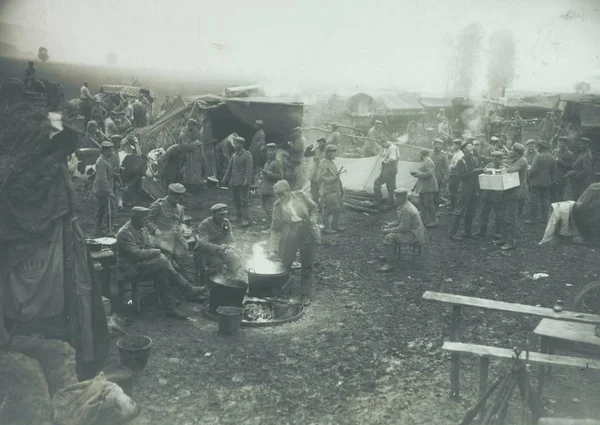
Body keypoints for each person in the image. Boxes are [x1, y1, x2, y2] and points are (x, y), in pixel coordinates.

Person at [116, 206, 205, 319]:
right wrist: (156, 252)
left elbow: (149, 245)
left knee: (162, 269)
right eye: (144, 219)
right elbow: (135, 254)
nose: (146, 222)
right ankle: (188, 289)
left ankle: (170, 307)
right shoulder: (124, 233)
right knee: (162, 261)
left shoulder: (142, 228)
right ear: (135, 219)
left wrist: (154, 251)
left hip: (142, 263)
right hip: (129, 267)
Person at [268, 180, 320, 306]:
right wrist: (273, 249)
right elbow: (275, 229)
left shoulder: (301, 196)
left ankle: (305, 294)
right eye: (278, 195)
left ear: (288, 191)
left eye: (282, 194)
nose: (280, 197)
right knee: (285, 263)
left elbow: (314, 207)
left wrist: (312, 219)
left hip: (306, 231)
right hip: (290, 234)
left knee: (307, 265)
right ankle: (283, 290)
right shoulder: (278, 206)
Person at [147, 183, 202, 289]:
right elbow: (146, 220)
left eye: (181, 197)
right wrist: (154, 230)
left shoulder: (180, 208)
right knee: (166, 269)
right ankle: (173, 292)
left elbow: (181, 223)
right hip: (161, 243)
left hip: (177, 242)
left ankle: (193, 289)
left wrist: (185, 230)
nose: (179, 199)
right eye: (177, 197)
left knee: (188, 265)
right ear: (170, 194)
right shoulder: (159, 205)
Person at [378, 188, 427, 273]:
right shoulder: (405, 205)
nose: (395, 198)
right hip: (413, 231)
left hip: (413, 235)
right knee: (387, 231)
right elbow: (401, 221)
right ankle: (390, 255)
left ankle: (390, 264)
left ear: (404, 197)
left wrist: (388, 230)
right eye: (395, 196)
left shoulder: (406, 209)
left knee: (389, 237)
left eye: (398, 197)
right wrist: (389, 225)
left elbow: (403, 228)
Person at [194, 204, 242, 279]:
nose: (222, 217)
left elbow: (231, 239)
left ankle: (230, 279)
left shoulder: (226, 222)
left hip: (220, 251)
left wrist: (231, 248)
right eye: (220, 215)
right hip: (204, 252)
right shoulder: (205, 224)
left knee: (235, 259)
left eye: (224, 214)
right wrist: (218, 247)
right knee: (217, 263)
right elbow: (202, 243)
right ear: (213, 214)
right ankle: (211, 282)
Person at [449, 140, 483, 240]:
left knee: (471, 210)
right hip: (465, 188)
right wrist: (473, 171)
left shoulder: (473, 159)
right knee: (459, 210)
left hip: (474, 188)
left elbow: (474, 172)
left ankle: (468, 232)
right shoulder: (461, 161)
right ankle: (452, 233)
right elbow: (461, 177)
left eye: (471, 146)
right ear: (464, 149)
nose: (471, 147)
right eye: (469, 147)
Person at [497, 143, 528, 250]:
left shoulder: (522, 160)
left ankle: (511, 242)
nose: (509, 152)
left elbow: (511, 170)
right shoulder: (517, 159)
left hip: (515, 192)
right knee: (504, 216)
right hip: (509, 190)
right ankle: (503, 239)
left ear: (516, 152)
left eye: (511, 150)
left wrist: (503, 166)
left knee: (510, 217)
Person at [222, 136, 253, 226]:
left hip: (243, 182)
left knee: (244, 201)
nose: (235, 145)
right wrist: (225, 178)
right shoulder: (234, 155)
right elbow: (229, 168)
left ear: (242, 144)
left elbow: (249, 170)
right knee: (236, 200)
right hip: (234, 182)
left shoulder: (247, 155)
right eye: (235, 143)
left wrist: (247, 181)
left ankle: (245, 219)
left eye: (237, 143)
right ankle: (238, 216)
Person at [525, 140, 556, 224]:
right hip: (547, 183)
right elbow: (553, 172)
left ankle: (533, 219)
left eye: (538, 147)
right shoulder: (552, 158)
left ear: (541, 148)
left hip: (536, 183)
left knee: (534, 200)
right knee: (545, 200)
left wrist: (529, 178)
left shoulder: (538, 157)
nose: (537, 148)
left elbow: (532, 170)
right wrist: (550, 180)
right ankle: (544, 219)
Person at [477, 151, 506, 239]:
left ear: (501, 159)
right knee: (484, 213)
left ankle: (498, 232)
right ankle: (482, 231)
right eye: (493, 157)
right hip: (488, 193)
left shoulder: (504, 168)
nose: (494, 160)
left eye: (497, 158)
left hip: (498, 194)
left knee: (499, 214)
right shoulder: (489, 165)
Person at [318, 145, 345, 234]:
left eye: (335, 152)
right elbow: (320, 177)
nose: (335, 154)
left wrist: (340, 189)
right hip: (328, 191)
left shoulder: (331, 162)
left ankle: (335, 225)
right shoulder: (324, 163)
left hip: (335, 190)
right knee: (327, 210)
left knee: (338, 209)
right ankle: (326, 228)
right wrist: (332, 178)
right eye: (333, 152)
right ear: (327, 153)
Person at [92, 141, 116, 236]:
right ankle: (108, 230)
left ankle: (98, 229)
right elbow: (102, 179)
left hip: (104, 189)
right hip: (102, 190)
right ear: (104, 151)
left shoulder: (106, 159)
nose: (111, 152)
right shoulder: (101, 161)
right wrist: (108, 191)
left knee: (101, 209)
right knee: (110, 210)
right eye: (109, 150)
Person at [259, 143, 284, 227]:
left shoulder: (277, 163)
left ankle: (273, 227)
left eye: (272, 150)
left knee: (271, 209)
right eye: (268, 150)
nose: (270, 152)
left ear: (275, 151)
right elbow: (265, 173)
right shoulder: (268, 161)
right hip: (265, 188)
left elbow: (280, 176)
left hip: (271, 189)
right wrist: (261, 175)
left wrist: (267, 173)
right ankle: (269, 225)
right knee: (266, 208)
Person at [413, 149, 439, 227]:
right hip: (423, 186)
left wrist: (418, 174)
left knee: (429, 204)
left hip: (428, 186)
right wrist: (417, 173)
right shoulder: (424, 161)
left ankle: (435, 221)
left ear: (421, 154)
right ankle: (424, 219)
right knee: (422, 203)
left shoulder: (428, 161)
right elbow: (422, 171)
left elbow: (429, 173)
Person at [372, 140, 400, 210]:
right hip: (389, 169)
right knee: (391, 187)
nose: (382, 147)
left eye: (382, 145)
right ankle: (392, 204)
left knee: (377, 183)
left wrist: (385, 162)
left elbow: (393, 158)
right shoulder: (387, 147)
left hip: (389, 169)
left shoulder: (392, 148)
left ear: (385, 142)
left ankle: (378, 200)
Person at [179, 118, 204, 189]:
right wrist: (195, 144)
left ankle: (193, 187)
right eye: (194, 127)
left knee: (193, 173)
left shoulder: (190, 133)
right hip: (186, 158)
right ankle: (187, 188)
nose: (195, 129)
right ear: (190, 126)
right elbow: (184, 147)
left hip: (192, 158)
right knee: (187, 174)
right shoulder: (183, 134)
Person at [304, 137, 327, 205]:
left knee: (322, 194)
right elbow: (306, 155)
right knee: (314, 194)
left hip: (323, 174)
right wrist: (308, 149)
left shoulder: (327, 151)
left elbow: (329, 161)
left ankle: (322, 207)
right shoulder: (316, 150)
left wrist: (320, 161)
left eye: (321, 143)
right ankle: (315, 207)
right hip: (314, 173)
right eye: (319, 143)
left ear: (324, 143)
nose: (319, 144)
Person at [551, 136, 574, 202]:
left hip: (562, 176)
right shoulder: (555, 151)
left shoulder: (569, 154)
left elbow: (570, 166)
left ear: (566, 144)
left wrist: (561, 162)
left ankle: (559, 208)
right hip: (553, 176)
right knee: (552, 194)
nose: (561, 144)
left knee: (559, 194)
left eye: (563, 143)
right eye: (560, 143)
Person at [431, 138, 449, 211]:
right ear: (434, 145)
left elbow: (446, 169)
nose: (439, 146)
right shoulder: (430, 154)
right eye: (438, 144)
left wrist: (445, 179)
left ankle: (436, 209)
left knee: (436, 194)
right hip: (429, 177)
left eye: (441, 145)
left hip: (438, 177)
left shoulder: (443, 155)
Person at [448, 138, 464, 212]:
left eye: (454, 145)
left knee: (453, 192)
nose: (453, 146)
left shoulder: (459, 154)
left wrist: (451, 166)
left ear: (458, 146)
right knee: (453, 191)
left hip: (455, 175)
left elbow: (458, 165)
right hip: (453, 174)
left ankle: (454, 207)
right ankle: (454, 206)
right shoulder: (457, 153)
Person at [249, 119, 266, 186]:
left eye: (256, 125)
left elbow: (262, 145)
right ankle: (252, 182)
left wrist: (258, 151)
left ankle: (254, 183)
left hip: (256, 154)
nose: (254, 126)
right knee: (252, 167)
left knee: (255, 168)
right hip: (253, 153)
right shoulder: (257, 132)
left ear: (259, 126)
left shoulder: (261, 134)